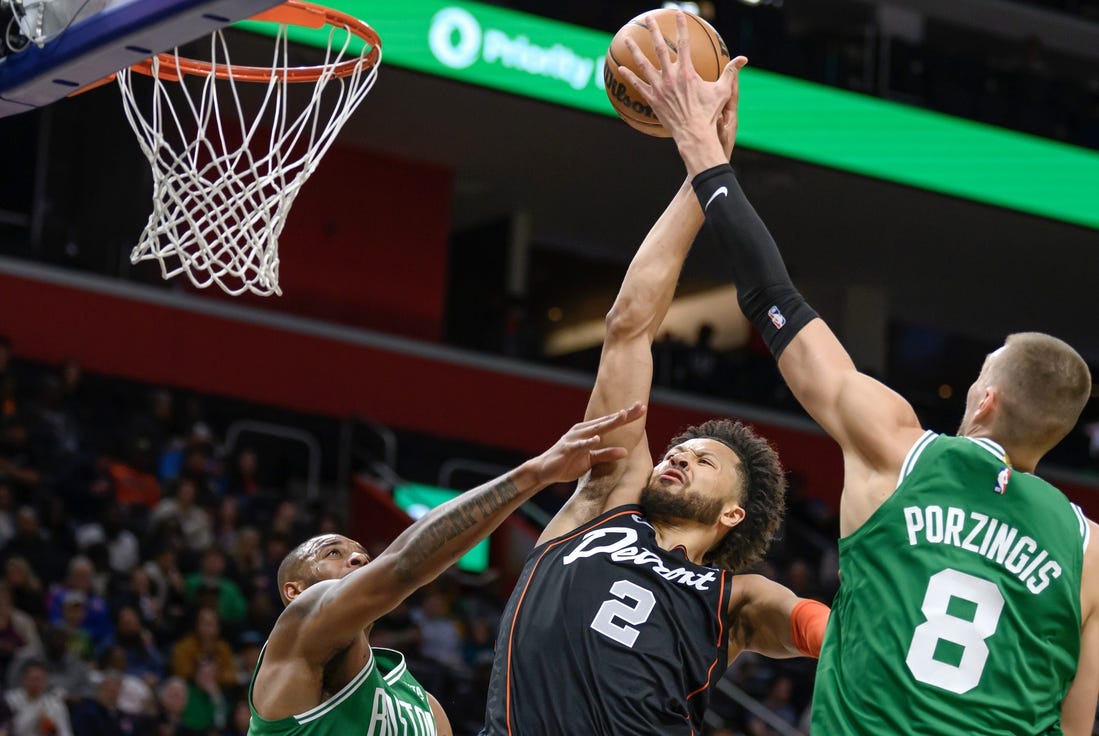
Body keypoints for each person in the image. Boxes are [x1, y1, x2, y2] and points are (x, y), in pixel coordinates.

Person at [619, 11, 1098, 734]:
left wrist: (702, 150)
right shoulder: (1090, 551)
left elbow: (771, 300)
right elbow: (1074, 725)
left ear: (986, 398)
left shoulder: (898, 448)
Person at [480, 49, 828, 736]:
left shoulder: (735, 597)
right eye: (680, 447)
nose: (678, 457)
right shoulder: (608, 501)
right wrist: (702, 171)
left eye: (703, 462)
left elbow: (819, 629)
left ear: (732, 514)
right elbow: (628, 328)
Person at [246, 406, 645, 736]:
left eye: (362, 554)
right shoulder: (300, 632)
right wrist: (535, 474)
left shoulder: (423, 706)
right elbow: (404, 563)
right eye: (333, 552)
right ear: (294, 591)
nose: (357, 559)